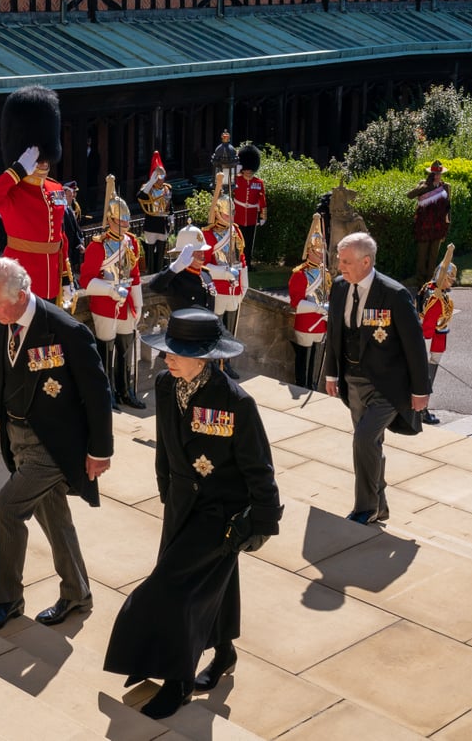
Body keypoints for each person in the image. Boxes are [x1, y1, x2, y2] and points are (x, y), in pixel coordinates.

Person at [104, 308, 281, 720]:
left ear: (203, 358)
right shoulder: (167, 385)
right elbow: (165, 443)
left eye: (176, 353)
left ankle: (178, 682)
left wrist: (263, 522)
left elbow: (260, 467)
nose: (166, 358)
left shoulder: (236, 402)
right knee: (212, 582)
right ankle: (224, 653)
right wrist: (166, 487)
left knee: (171, 591)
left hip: (221, 514)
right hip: (181, 506)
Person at [0, 257, 113, 632]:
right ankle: (77, 592)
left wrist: (100, 451)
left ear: (23, 294)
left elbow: (97, 394)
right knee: (54, 516)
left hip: (55, 445)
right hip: (17, 440)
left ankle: (5, 600)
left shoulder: (66, 330)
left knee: (8, 508)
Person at [325, 232, 430, 525]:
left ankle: (365, 507)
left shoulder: (394, 294)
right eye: (339, 259)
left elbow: (414, 345)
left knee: (364, 439)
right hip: (352, 382)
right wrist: (331, 373)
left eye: (346, 261)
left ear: (366, 261)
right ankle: (380, 506)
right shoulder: (340, 287)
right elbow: (334, 332)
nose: (339, 265)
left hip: (388, 386)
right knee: (370, 445)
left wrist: (421, 390)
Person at [0, 85, 74, 305]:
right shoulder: (13, 190)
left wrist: (65, 277)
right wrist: (18, 170)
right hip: (21, 277)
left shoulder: (55, 188)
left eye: (45, 157)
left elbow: (60, 238)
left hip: (52, 278)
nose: (42, 162)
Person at [80, 174, 145, 409]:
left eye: (127, 222)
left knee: (126, 349)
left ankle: (125, 391)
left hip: (127, 302)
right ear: (110, 220)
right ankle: (106, 394)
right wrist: (110, 290)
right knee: (106, 351)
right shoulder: (97, 245)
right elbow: (86, 282)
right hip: (106, 305)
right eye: (121, 222)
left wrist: (137, 303)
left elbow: (135, 275)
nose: (126, 226)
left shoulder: (132, 242)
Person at [203, 173, 247, 379]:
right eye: (227, 214)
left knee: (230, 329)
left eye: (232, 214)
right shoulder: (208, 235)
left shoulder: (236, 232)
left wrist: (243, 283)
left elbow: (241, 258)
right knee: (217, 328)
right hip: (219, 288)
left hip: (234, 288)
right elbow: (205, 265)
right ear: (219, 213)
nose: (231, 218)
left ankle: (227, 362)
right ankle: (216, 363)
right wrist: (223, 273)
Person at [288, 214, 331, 390]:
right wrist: (318, 308)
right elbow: (296, 303)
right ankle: (301, 383)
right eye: (317, 252)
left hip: (320, 323)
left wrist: (328, 309)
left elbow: (328, 295)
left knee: (315, 355)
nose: (321, 255)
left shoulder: (325, 273)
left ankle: (311, 383)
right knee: (303, 356)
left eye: (322, 252)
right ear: (309, 252)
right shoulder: (300, 273)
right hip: (306, 322)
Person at [417, 243, 457, 425]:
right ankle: (421, 410)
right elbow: (428, 327)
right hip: (433, 344)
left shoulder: (429, 288)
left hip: (434, 341)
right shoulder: (436, 298)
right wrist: (424, 352)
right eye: (450, 278)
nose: (452, 282)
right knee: (426, 380)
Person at [149, 222, 215, 313]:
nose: (202, 254)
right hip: (186, 326)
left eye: (202, 250)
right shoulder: (176, 277)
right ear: (184, 252)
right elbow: (155, 287)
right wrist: (174, 268)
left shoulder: (205, 274)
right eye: (197, 250)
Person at [406, 160, 452, 284]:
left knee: (433, 256)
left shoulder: (446, 187)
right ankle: (420, 280)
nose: (437, 176)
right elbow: (409, 195)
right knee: (422, 254)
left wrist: (446, 227)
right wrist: (425, 186)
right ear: (430, 173)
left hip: (438, 227)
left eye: (438, 174)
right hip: (424, 227)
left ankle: (430, 281)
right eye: (434, 174)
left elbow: (448, 208)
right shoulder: (424, 184)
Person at [137, 151, 173, 275]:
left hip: (162, 223)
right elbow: (140, 196)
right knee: (150, 250)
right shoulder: (147, 189)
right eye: (158, 177)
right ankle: (150, 273)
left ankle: (159, 273)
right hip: (151, 222)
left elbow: (169, 206)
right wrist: (151, 182)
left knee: (162, 249)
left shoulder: (167, 189)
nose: (161, 180)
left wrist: (172, 218)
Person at [233, 143, 267, 268]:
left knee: (249, 242)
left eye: (249, 168)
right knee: (238, 241)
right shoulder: (236, 179)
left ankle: (247, 262)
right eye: (246, 167)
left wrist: (263, 216)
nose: (248, 171)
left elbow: (262, 199)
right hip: (238, 215)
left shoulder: (258, 182)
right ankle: (238, 261)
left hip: (252, 216)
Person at [62, 182, 84, 278]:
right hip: (65, 246)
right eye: (70, 195)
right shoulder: (61, 210)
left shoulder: (70, 207)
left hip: (71, 246)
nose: (73, 197)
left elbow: (75, 227)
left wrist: (79, 241)